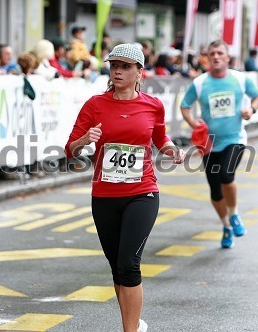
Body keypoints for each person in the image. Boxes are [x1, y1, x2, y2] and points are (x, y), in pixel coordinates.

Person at [65, 43, 185, 332]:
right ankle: (132, 323)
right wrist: (85, 141)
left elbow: (160, 139)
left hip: (142, 192)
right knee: (117, 267)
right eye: (114, 65)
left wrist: (172, 152)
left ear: (139, 72)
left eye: (125, 66)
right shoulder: (95, 105)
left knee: (129, 263)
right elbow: (70, 149)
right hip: (105, 195)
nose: (118, 70)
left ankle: (129, 330)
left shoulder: (153, 105)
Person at [180, 40, 258, 248]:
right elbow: (185, 105)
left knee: (226, 175)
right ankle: (226, 226)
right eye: (212, 53)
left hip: (234, 139)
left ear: (227, 57)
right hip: (209, 143)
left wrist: (251, 110)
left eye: (220, 53)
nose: (216, 56)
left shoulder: (240, 79)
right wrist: (192, 122)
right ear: (207, 58)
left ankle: (234, 214)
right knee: (215, 190)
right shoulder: (200, 83)